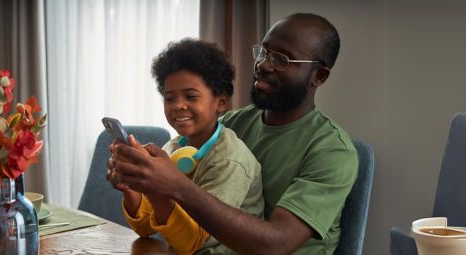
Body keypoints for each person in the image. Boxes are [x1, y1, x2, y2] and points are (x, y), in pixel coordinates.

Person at [108, 13, 357, 254]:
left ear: (319, 76)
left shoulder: (332, 151)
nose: (263, 65)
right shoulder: (232, 123)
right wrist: (140, 180)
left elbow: (275, 244)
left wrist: (175, 185)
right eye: (263, 52)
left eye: (281, 60)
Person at [113, 38, 264, 255]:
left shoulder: (229, 161)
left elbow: (193, 243)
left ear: (221, 102)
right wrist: (131, 187)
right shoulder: (172, 147)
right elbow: (144, 228)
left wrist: (157, 188)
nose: (178, 106)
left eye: (191, 96)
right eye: (169, 98)